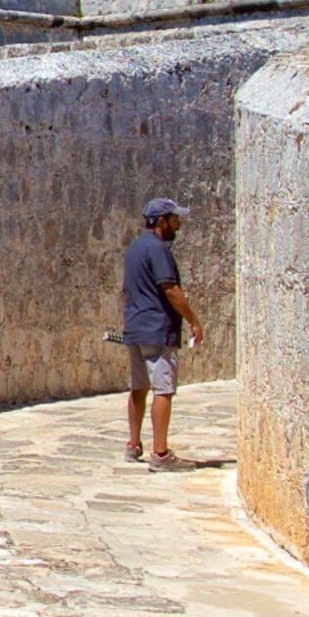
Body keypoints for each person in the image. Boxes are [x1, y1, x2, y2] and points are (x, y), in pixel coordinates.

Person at [120, 197, 197, 466]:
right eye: (175, 218)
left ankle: (133, 444)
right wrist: (194, 321)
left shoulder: (133, 249)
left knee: (138, 388)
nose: (179, 224)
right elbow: (170, 288)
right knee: (163, 390)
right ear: (161, 220)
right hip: (157, 328)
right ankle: (161, 454)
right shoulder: (158, 250)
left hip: (135, 326)